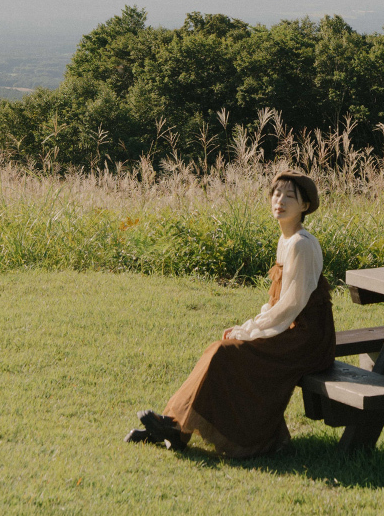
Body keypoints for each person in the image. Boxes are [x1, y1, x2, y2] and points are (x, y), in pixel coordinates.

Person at [124, 170, 335, 457]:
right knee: (219, 350)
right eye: (276, 194)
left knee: (227, 353)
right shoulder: (285, 239)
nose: (280, 201)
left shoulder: (301, 243)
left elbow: (291, 305)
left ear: (305, 206)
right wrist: (250, 325)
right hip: (291, 330)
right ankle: (174, 426)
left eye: (289, 197)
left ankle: (197, 431)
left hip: (307, 338)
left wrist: (250, 331)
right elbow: (276, 302)